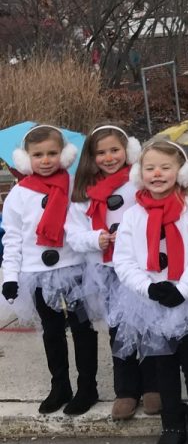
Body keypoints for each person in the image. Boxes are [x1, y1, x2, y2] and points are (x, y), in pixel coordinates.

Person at [113, 141, 188, 444]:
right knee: (163, 365)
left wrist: (182, 289)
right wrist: (149, 288)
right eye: (150, 168)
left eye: (165, 167)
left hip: (185, 298)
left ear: (180, 172)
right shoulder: (132, 215)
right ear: (139, 174)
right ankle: (172, 424)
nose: (157, 174)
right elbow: (124, 260)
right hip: (150, 300)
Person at [1, 125, 98, 416]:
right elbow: (13, 237)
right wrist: (10, 276)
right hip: (37, 273)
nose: (45, 160)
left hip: (75, 269)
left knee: (82, 328)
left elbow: (86, 225)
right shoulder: (18, 194)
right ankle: (60, 385)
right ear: (25, 159)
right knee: (51, 331)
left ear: (64, 154)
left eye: (52, 153)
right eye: (38, 155)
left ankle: (87, 386)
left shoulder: (74, 187)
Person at [66, 125, 161, 420]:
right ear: (91, 158)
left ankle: (153, 386)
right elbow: (73, 233)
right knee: (119, 330)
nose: (109, 158)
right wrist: (97, 238)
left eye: (115, 150)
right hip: (105, 271)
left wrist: (133, 237)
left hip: (138, 267)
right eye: (101, 153)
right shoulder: (83, 192)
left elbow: (153, 215)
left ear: (128, 150)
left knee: (147, 326)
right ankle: (126, 390)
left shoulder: (138, 181)